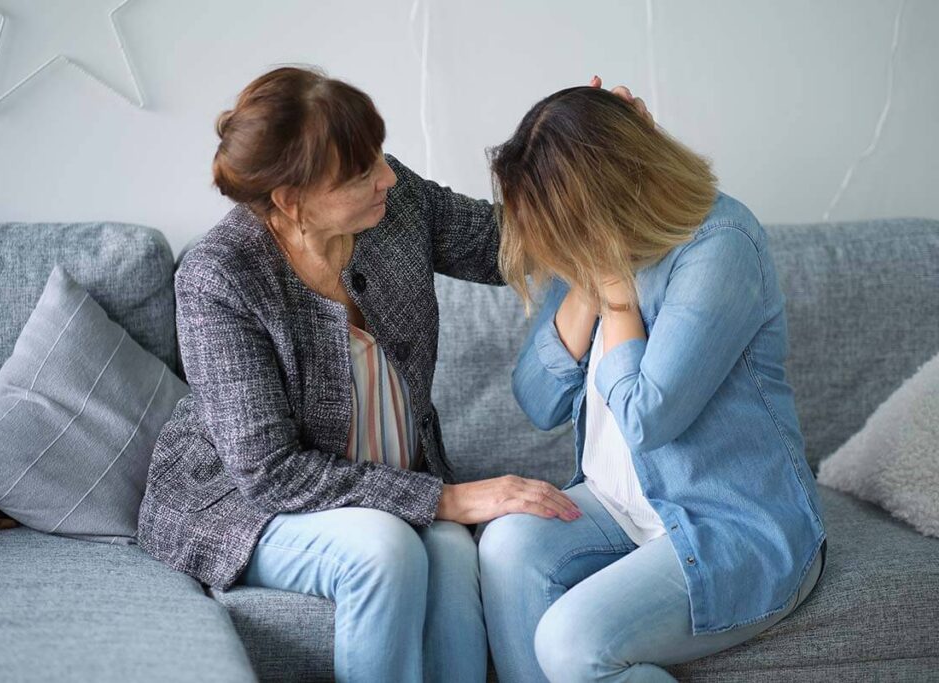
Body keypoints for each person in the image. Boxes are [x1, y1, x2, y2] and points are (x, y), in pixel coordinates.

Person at [135, 67, 649, 682]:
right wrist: (448, 497)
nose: (386, 175)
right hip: (245, 505)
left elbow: (507, 242)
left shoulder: (393, 200)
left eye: (378, 154)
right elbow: (269, 474)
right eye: (360, 173)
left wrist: (599, 158)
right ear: (291, 201)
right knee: (384, 552)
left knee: (456, 556)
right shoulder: (219, 279)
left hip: (393, 486)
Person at [478, 85, 827, 682]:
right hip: (622, 506)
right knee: (506, 544)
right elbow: (536, 400)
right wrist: (588, 283)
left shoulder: (721, 243)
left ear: (607, 194)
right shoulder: (596, 245)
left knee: (570, 641)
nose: (554, 246)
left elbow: (647, 418)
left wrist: (615, 295)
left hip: (730, 525)